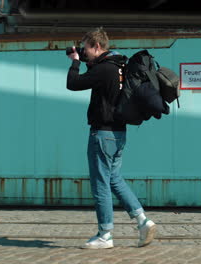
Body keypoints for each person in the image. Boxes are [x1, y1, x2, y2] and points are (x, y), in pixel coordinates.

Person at [66, 27, 156, 249]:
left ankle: (105, 234)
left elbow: (73, 83)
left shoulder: (104, 69)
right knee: (114, 178)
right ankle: (143, 220)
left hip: (102, 134)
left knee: (101, 184)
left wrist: (75, 61)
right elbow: (99, 77)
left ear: (96, 46)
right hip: (118, 133)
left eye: (86, 48)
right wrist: (86, 60)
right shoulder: (119, 66)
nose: (84, 52)